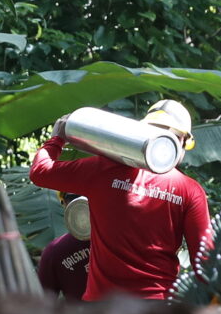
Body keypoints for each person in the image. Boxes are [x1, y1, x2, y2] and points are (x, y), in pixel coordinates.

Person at [28, 99, 210, 300]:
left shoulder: (102, 170)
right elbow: (205, 263)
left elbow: (40, 172)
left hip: (103, 307)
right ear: (182, 142)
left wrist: (57, 139)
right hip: (157, 307)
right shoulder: (189, 190)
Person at [36, 196, 92, 300]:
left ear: (65, 205)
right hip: (121, 307)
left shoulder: (54, 251)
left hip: (81, 311)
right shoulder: (119, 237)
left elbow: (44, 302)